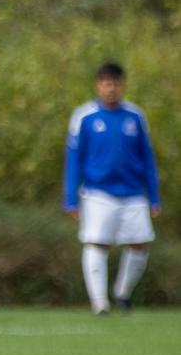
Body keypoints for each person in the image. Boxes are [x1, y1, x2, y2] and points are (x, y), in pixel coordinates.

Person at [65, 62, 162, 314]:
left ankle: (123, 292)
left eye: (116, 84)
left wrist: (154, 196)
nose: (111, 89)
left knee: (140, 244)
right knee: (97, 243)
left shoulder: (135, 117)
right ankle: (100, 303)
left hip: (132, 191)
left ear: (123, 85)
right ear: (99, 85)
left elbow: (147, 159)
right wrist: (70, 199)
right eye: (106, 84)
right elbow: (74, 159)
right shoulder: (85, 117)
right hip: (98, 192)